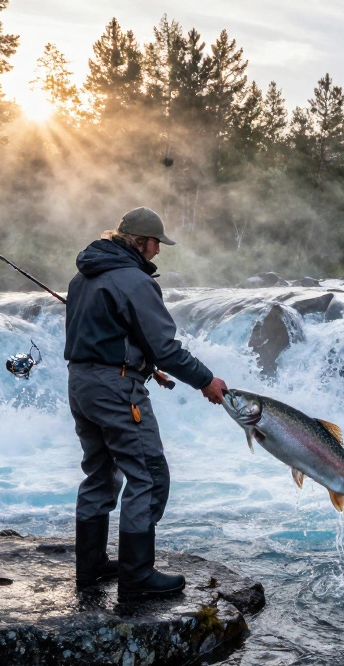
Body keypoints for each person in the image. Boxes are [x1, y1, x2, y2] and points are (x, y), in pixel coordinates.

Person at [64, 207, 229, 597]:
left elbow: (103, 334)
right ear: (143, 241)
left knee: (99, 472)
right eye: (157, 243)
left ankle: (90, 568)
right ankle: (136, 577)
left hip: (81, 382)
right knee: (147, 475)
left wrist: (141, 364)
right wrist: (206, 380)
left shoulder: (82, 276)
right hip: (116, 388)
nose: (159, 251)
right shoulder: (135, 281)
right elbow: (167, 348)